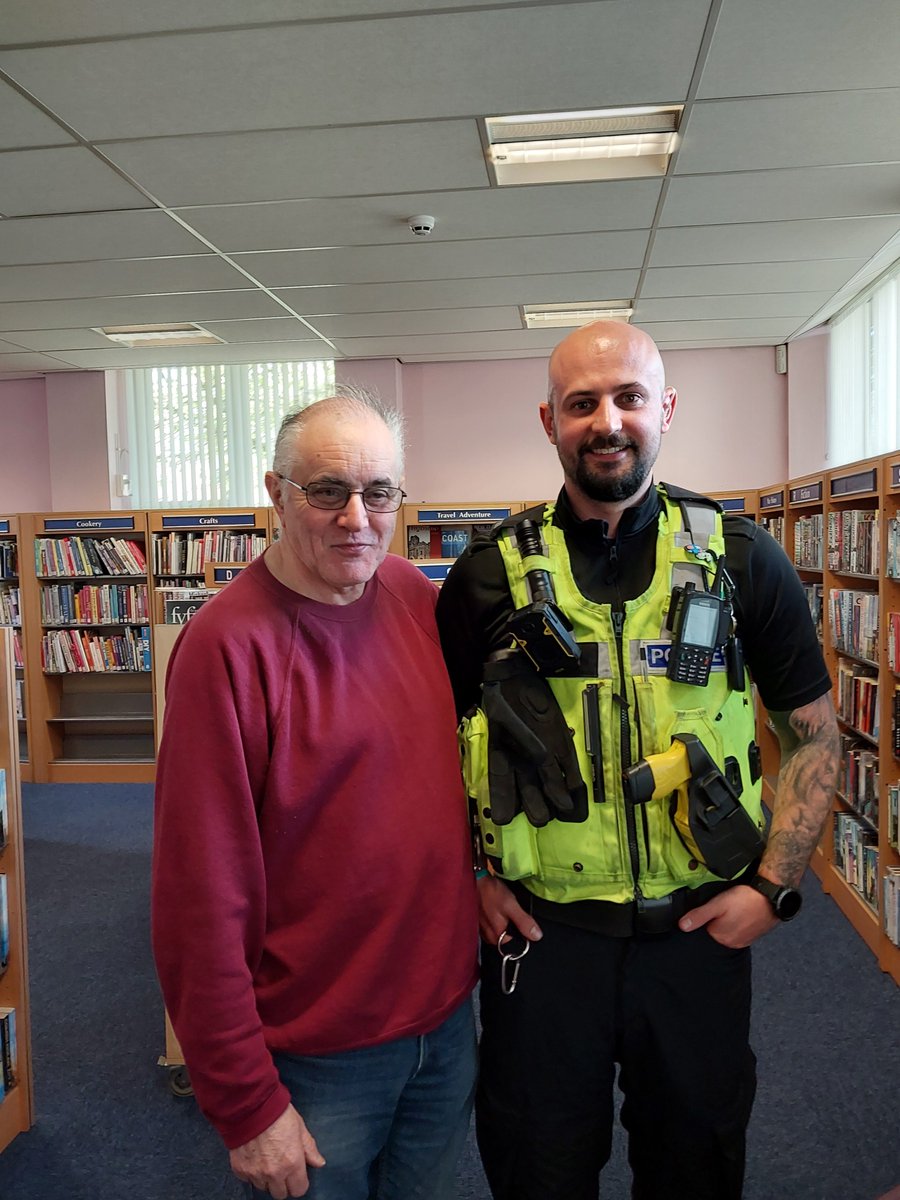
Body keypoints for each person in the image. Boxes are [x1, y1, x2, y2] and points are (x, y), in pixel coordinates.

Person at [435, 320, 840, 1200]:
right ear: (549, 420)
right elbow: (437, 749)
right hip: (543, 946)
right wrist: (470, 873)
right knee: (537, 1172)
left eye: (628, 398)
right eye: (582, 403)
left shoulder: (741, 562)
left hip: (697, 938)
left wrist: (773, 887)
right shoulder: (485, 577)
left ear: (666, 409)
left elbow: (815, 734)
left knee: (695, 1168)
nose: (606, 421)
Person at [152, 389, 479, 1200]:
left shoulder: (414, 597)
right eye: (327, 491)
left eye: (379, 493)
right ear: (276, 493)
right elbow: (199, 897)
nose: (356, 519)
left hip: (444, 1027)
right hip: (316, 1058)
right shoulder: (224, 649)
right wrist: (245, 1103)